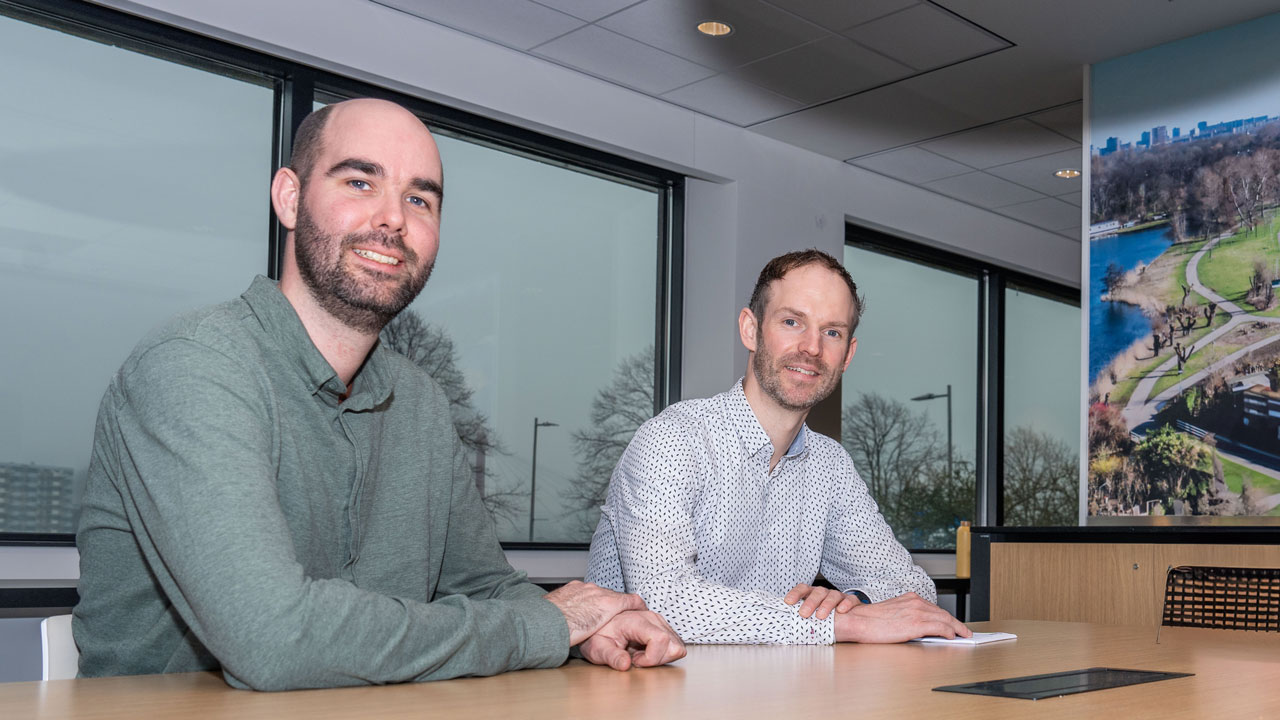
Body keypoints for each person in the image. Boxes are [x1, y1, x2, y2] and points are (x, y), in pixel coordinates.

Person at [73, 98, 683, 690]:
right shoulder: (192, 366)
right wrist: (546, 623)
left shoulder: (419, 401)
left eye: (419, 198)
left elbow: (486, 589)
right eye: (360, 183)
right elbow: (273, 639)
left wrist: (588, 632)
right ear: (290, 198)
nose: (393, 218)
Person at [585, 249, 970, 645]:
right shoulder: (672, 440)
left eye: (832, 332)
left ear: (848, 355)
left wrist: (851, 603)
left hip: (772, 690)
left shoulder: (831, 465)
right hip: (642, 691)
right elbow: (667, 603)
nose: (812, 347)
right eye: (792, 322)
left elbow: (913, 590)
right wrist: (842, 625)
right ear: (750, 329)